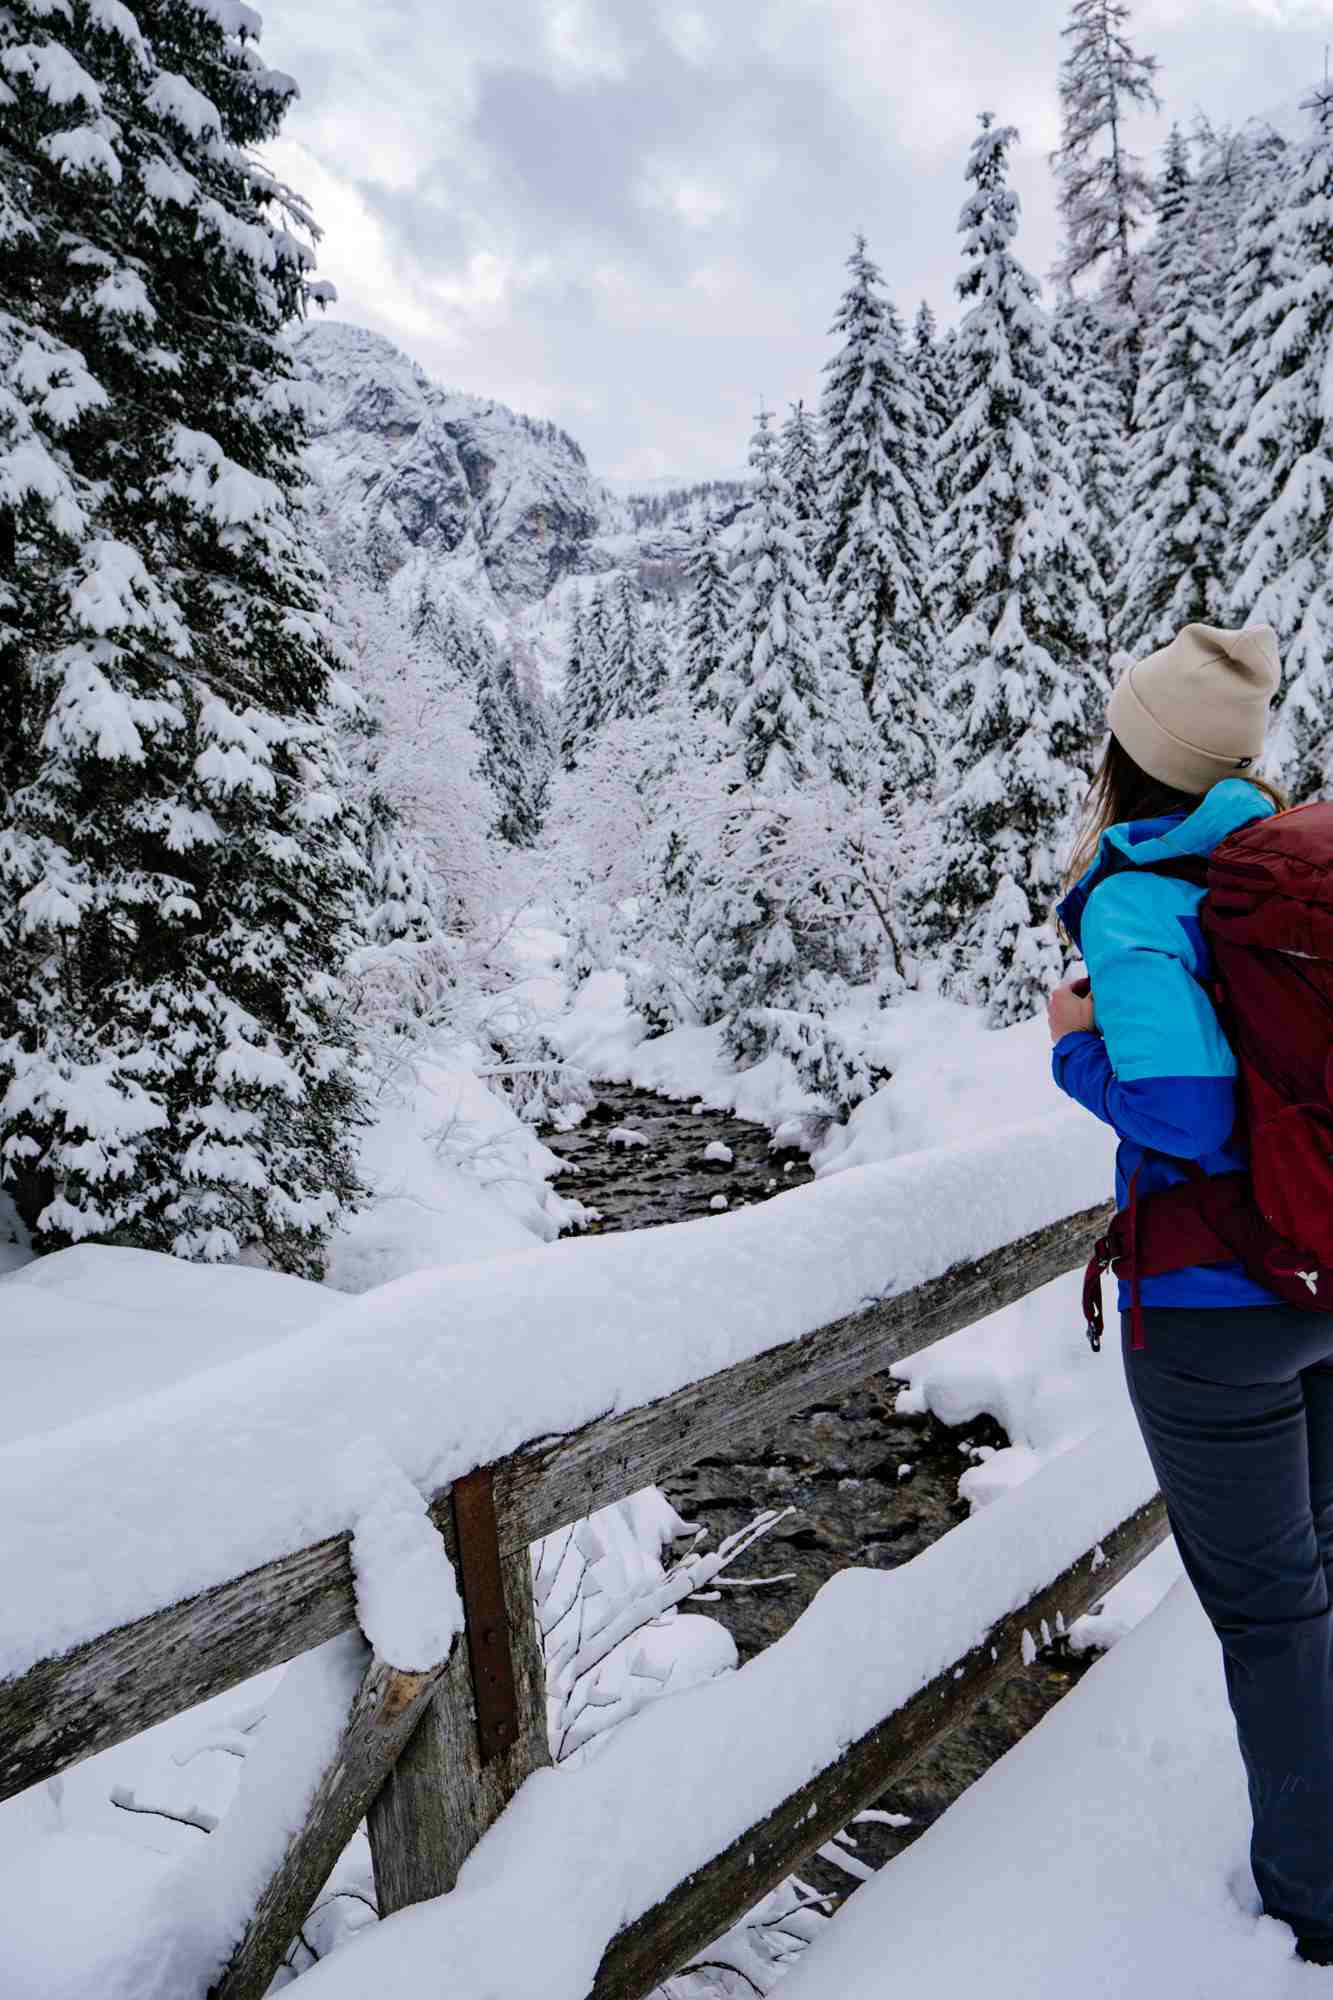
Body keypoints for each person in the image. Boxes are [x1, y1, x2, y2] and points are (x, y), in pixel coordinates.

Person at [1049, 622, 1333, 1967]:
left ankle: (1316, 1901)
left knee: (1271, 1613)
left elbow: (1178, 1107)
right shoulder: (1299, 868)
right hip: (1326, 1271)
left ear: (1128, 757)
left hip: (1216, 1309)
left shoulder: (1137, 892)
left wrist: (1070, 1055)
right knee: (1324, 1571)